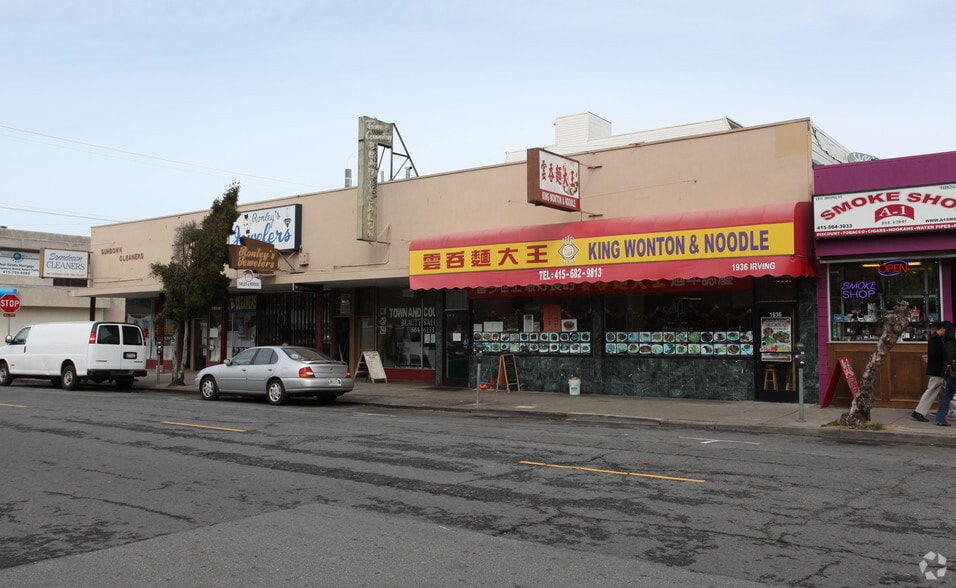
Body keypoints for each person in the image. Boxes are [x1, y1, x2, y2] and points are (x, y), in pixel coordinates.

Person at [913, 321, 952, 422]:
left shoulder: (936, 338)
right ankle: (919, 411)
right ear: (943, 329)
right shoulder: (936, 339)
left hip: (938, 369)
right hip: (937, 370)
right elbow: (935, 354)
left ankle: (945, 411)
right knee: (932, 390)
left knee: (944, 391)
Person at [937, 330, 956, 426]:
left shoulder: (947, 344)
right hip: (953, 374)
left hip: (948, 373)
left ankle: (940, 418)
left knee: (947, 396)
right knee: (947, 396)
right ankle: (940, 418)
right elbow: (951, 360)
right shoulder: (952, 345)